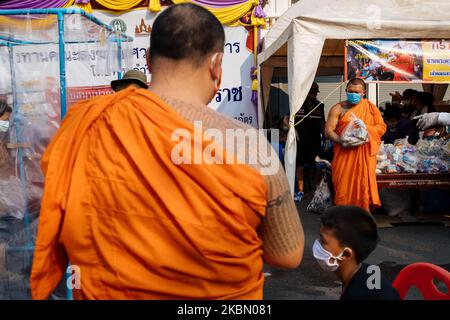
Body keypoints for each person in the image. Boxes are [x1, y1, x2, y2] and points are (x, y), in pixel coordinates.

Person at [30, 3, 304, 300]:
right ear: (217, 64)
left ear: (147, 60)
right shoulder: (247, 145)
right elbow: (287, 254)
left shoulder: (93, 126)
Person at [313, 206, 400, 300]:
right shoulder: (369, 271)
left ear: (346, 254)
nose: (317, 243)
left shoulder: (357, 295)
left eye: (323, 241)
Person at [325, 78, 386, 212]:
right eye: (350, 91)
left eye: (357, 92)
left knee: (363, 187)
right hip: (344, 156)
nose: (353, 94)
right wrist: (342, 141)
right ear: (346, 90)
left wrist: (366, 128)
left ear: (363, 93)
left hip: (364, 157)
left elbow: (381, 128)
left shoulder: (370, 107)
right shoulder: (338, 108)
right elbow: (329, 131)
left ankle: (362, 218)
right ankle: (343, 218)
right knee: (343, 189)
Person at [294, 82, 325, 199]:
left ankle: (318, 191)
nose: (313, 93)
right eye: (311, 90)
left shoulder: (320, 105)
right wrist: (291, 129)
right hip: (300, 141)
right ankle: (301, 191)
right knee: (300, 166)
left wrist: (326, 136)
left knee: (319, 166)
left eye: (315, 91)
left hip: (315, 141)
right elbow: (287, 119)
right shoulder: (297, 104)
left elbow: (323, 123)